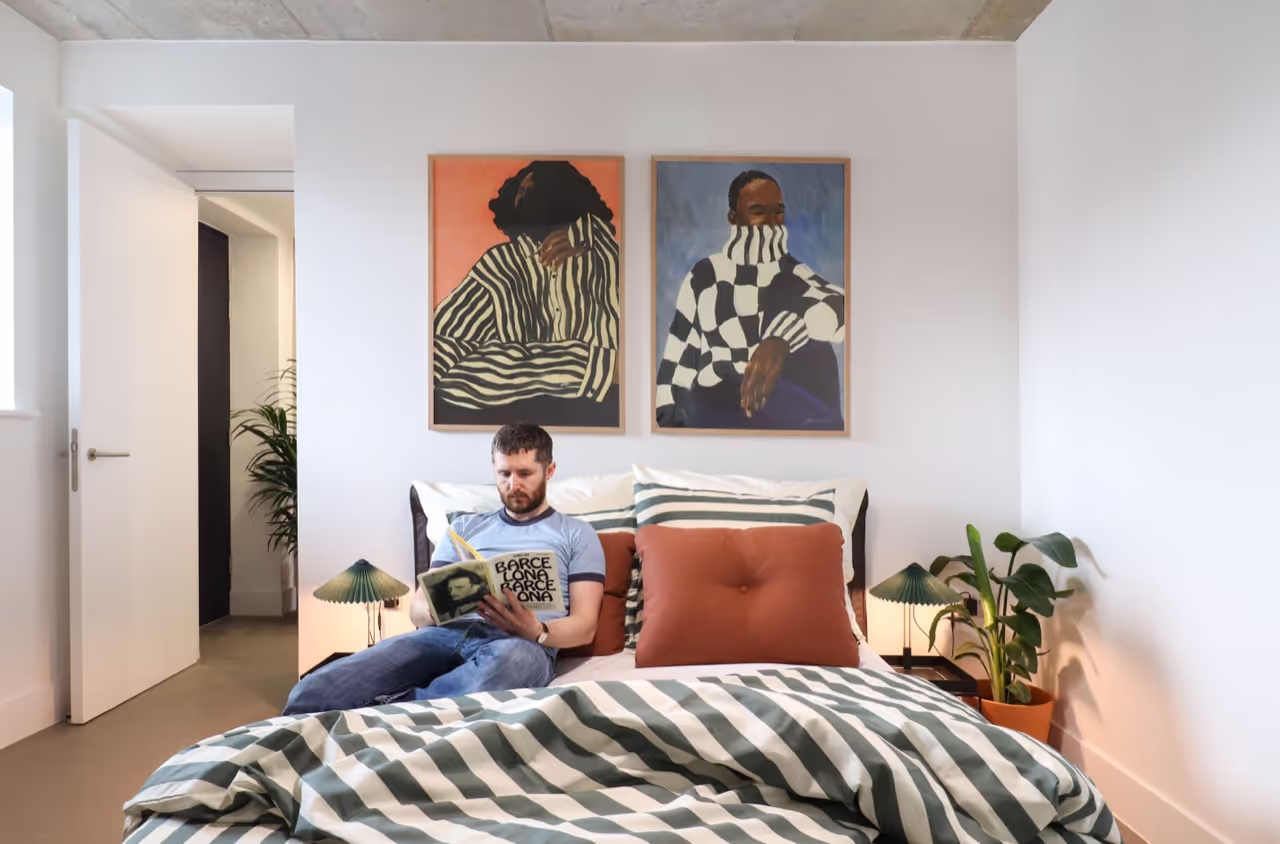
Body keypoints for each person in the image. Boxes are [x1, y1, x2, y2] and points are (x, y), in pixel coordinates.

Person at [282, 424, 605, 715]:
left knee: (504, 669)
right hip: (444, 634)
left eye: (524, 473)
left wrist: (538, 631)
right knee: (314, 690)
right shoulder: (464, 528)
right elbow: (418, 611)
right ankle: (401, 710)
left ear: (549, 471)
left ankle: (393, 713)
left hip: (521, 644)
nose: (513, 484)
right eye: (504, 474)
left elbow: (585, 625)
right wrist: (444, 604)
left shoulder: (576, 533)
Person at [433, 161, 622, 428]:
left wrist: (587, 235)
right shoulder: (503, 264)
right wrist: (593, 365)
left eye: (535, 188)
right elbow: (440, 350)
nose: (524, 194)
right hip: (521, 414)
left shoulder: (611, 259)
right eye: (520, 190)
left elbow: (641, 364)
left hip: (613, 410)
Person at [655, 169, 846, 430]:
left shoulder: (791, 274)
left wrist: (781, 338)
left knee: (805, 319)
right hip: (715, 412)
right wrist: (668, 425)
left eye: (778, 211)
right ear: (734, 218)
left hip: (780, 412)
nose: (772, 221)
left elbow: (842, 308)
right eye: (759, 211)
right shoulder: (705, 276)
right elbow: (677, 363)